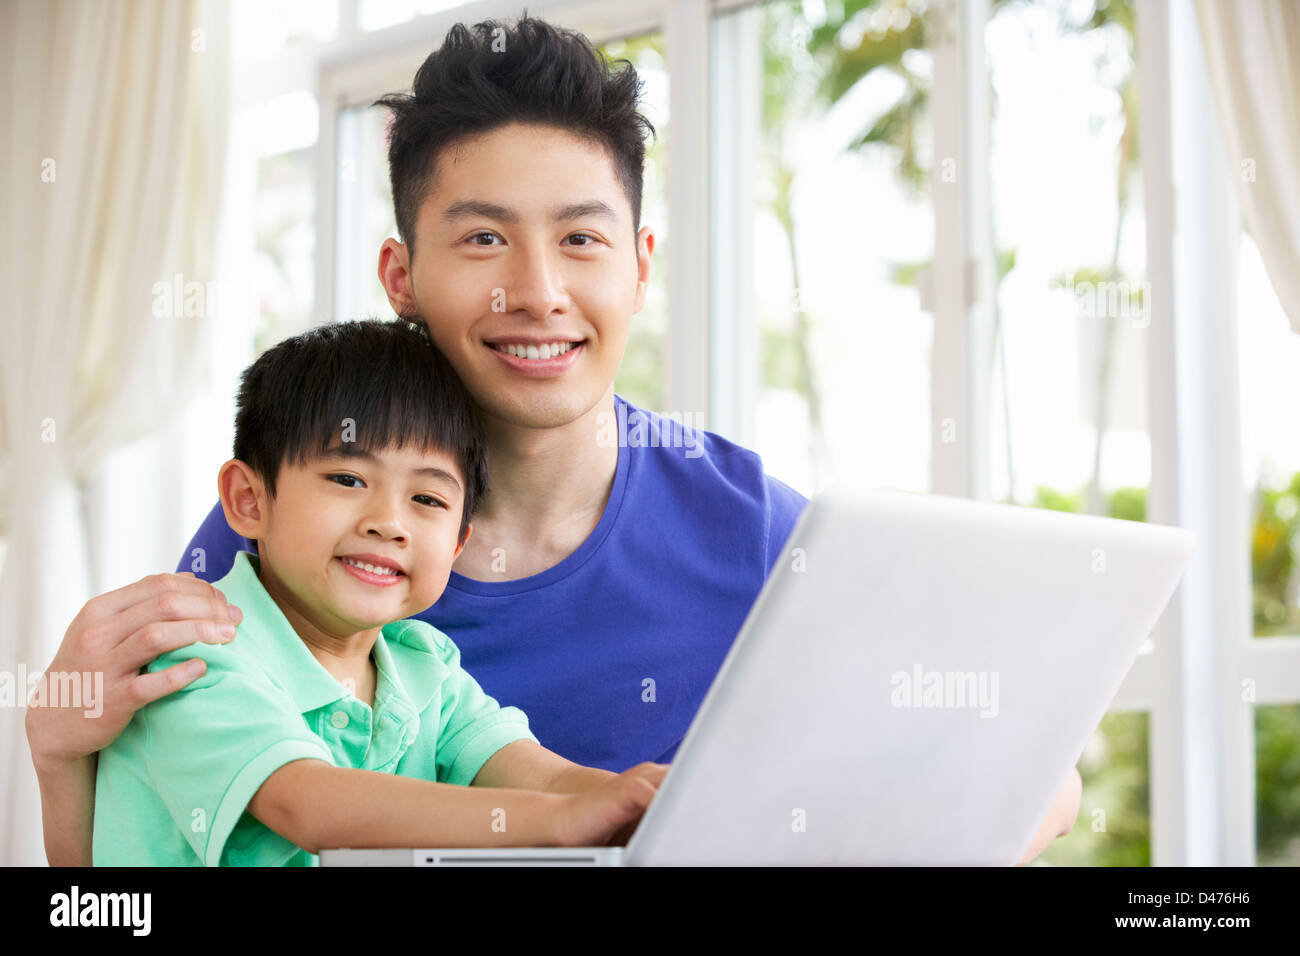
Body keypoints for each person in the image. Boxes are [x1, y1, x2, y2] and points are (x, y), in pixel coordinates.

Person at [27, 14, 1080, 866]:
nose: (536, 293)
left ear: (639, 265)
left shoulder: (745, 520)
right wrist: (54, 752)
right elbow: (133, 870)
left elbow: (1036, 767)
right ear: (401, 277)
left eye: (580, 238)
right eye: (483, 237)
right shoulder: (296, 527)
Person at [94, 318, 665, 865]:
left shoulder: (424, 665)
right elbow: (310, 805)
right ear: (249, 499)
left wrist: (644, 800)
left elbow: (547, 777)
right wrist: (553, 822)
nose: (389, 522)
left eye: (428, 500)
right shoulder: (196, 656)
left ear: (459, 542)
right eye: (348, 480)